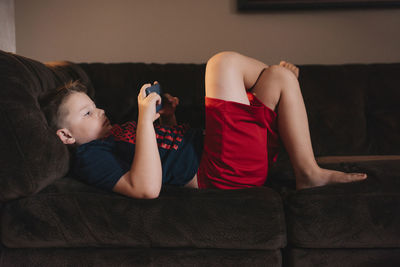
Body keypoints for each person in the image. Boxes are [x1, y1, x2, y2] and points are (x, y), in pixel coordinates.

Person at [40, 51, 367, 199]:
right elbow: (147, 188)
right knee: (221, 63)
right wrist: (143, 119)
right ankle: (305, 165)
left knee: (279, 77)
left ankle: (279, 90)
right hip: (222, 171)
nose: (99, 113)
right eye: (86, 114)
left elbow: (168, 155)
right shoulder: (90, 156)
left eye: (95, 107)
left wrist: (167, 120)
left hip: (229, 153)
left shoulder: (114, 135)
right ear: (66, 135)